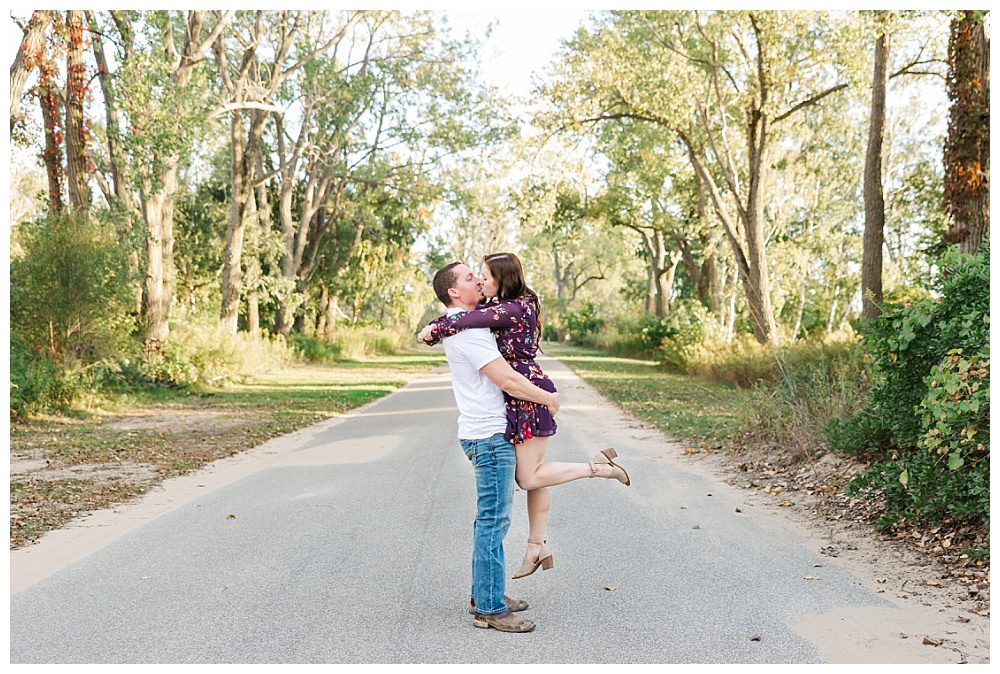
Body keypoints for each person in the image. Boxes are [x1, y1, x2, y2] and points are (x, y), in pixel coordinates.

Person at [421, 253, 630, 582]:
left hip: (527, 393)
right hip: (519, 397)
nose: (480, 281)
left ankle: (600, 468)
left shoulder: (512, 308)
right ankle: (536, 545)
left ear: (501, 279)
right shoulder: (506, 306)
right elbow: (464, 316)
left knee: (530, 477)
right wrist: (440, 325)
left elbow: (461, 321)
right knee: (536, 475)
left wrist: (433, 330)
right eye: (475, 277)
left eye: (485, 276)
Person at [431, 261, 561, 633]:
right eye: (470, 278)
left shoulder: (474, 320)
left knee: (490, 520)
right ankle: (490, 608)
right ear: (455, 291)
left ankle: (485, 593)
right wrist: (548, 399)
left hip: (485, 433)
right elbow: (507, 379)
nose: (478, 280)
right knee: (493, 522)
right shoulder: (468, 332)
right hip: (488, 437)